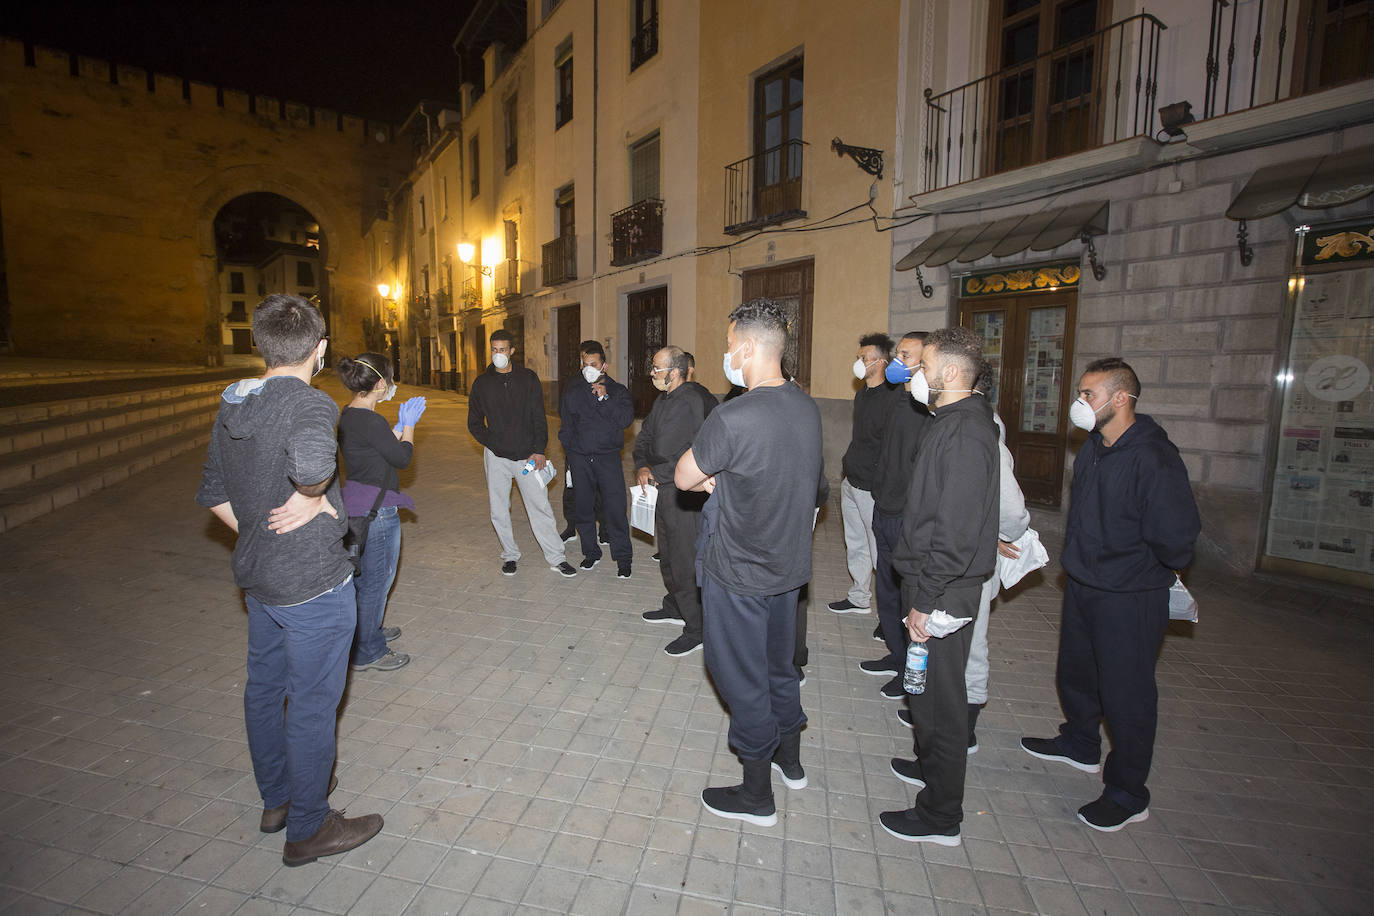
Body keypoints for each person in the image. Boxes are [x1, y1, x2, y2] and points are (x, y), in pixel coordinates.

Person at [195, 294, 383, 866]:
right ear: (320, 349)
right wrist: (311, 502)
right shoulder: (309, 404)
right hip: (315, 586)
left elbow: (214, 496)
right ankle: (308, 828)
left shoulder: (234, 405)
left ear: (261, 345)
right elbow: (311, 465)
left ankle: (277, 800)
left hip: (260, 581)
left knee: (264, 689)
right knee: (311, 705)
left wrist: (262, 529)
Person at [1021, 357, 1200, 832]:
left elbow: (1177, 538)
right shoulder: (1095, 449)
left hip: (1130, 594)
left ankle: (1127, 792)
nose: (1080, 403)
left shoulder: (1155, 457)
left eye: (1089, 395)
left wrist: (1134, 566)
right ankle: (1080, 742)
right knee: (1077, 672)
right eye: (1080, 393)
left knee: (1127, 693)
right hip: (1084, 583)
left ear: (1121, 398)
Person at [676, 298, 825, 827]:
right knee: (779, 667)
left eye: (728, 342)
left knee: (740, 677)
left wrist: (714, 474)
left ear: (747, 347)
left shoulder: (733, 415)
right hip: (788, 570)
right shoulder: (806, 406)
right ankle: (791, 760)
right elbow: (804, 480)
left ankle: (757, 793)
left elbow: (682, 476)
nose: (725, 352)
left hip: (738, 572)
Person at [880, 326, 999, 846]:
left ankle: (940, 815)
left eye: (924, 367)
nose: (916, 376)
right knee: (924, 696)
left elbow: (955, 528)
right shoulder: (948, 421)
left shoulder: (968, 431)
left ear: (950, 373)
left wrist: (926, 601)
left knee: (941, 707)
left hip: (942, 592)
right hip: (930, 585)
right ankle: (932, 770)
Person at [336, 353, 423, 673]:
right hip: (379, 510)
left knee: (366, 580)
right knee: (377, 582)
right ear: (380, 383)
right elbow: (401, 458)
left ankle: (366, 631)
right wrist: (409, 427)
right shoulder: (370, 420)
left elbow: (378, 451)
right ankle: (368, 650)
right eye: (390, 378)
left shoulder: (350, 414)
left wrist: (396, 428)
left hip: (360, 501)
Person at [468, 329, 577, 578]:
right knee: (498, 508)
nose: (498, 354)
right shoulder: (482, 383)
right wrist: (492, 442)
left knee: (539, 506)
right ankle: (509, 555)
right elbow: (474, 422)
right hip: (496, 458)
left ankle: (556, 557)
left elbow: (539, 417)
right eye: (494, 349)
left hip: (527, 458)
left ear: (512, 351)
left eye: (503, 349)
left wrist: (539, 450)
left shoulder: (528, 379)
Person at [634, 346, 717, 656]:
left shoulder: (695, 400)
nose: (652, 373)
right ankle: (675, 605)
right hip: (661, 487)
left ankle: (697, 628)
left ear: (676, 371)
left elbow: (700, 453)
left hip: (686, 494)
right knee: (667, 554)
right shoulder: (663, 399)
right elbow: (644, 438)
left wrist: (657, 470)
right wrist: (643, 464)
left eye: (657, 368)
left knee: (685, 561)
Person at [864, 332, 931, 700]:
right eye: (898, 354)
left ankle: (911, 668)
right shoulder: (896, 401)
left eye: (906, 355)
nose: (897, 361)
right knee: (887, 590)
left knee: (909, 596)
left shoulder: (928, 412)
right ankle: (896, 653)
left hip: (907, 515)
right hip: (884, 506)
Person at [829, 332, 896, 615]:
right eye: (859, 357)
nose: (859, 362)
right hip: (852, 479)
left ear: (880, 362)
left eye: (864, 358)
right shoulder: (862, 394)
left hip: (874, 485)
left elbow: (891, 445)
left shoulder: (894, 398)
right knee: (855, 543)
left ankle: (890, 613)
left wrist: (881, 479)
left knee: (879, 549)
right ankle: (859, 596)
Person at [559, 340, 635, 577]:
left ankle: (623, 557)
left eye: (593, 364)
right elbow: (566, 427)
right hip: (580, 459)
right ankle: (590, 553)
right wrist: (571, 456)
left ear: (604, 366)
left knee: (615, 508)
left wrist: (605, 399)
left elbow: (625, 421)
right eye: (584, 364)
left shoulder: (618, 391)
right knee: (583, 509)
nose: (588, 368)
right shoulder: (573, 392)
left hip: (608, 458)